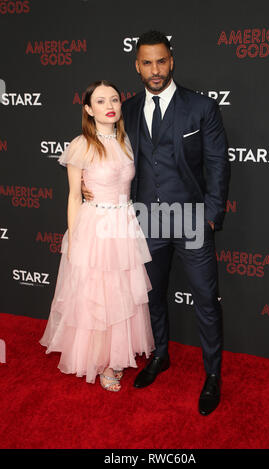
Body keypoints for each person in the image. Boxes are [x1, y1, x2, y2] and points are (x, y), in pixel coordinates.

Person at [83, 31, 230, 415]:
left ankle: (212, 375)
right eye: (147, 63)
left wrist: (211, 215)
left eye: (161, 61)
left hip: (192, 220)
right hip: (145, 220)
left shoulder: (201, 107)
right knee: (151, 297)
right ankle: (160, 355)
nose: (155, 70)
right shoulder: (126, 110)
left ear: (171, 61)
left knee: (205, 302)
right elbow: (104, 151)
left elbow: (217, 164)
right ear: (137, 65)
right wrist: (88, 186)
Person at [40, 80, 154, 392]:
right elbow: (74, 197)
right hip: (95, 225)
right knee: (97, 294)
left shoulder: (126, 141)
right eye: (101, 101)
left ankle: (116, 356)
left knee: (121, 291)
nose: (110, 106)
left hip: (123, 224)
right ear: (89, 109)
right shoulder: (81, 145)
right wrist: (74, 238)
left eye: (114, 99)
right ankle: (101, 361)